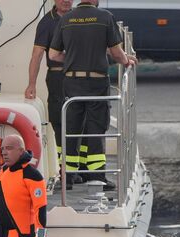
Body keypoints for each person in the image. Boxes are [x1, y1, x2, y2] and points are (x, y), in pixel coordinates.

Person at [48, 0, 136, 190]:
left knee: (71, 130)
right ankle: (96, 177)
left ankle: (68, 178)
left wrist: (72, 59)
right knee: (95, 128)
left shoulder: (66, 19)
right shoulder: (105, 17)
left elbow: (53, 55)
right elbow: (116, 53)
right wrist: (127, 60)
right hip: (96, 82)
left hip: (71, 82)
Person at [25, 0, 86, 185]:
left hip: (81, 78)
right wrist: (31, 84)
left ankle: (79, 169)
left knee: (81, 120)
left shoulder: (81, 18)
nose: (66, 1)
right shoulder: (46, 22)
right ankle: (64, 171)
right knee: (60, 122)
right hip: (58, 78)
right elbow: (37, 55)